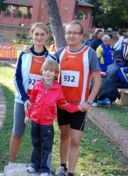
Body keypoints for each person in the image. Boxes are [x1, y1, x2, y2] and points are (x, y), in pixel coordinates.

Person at [54, 20, 101, 176]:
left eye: (75, 32)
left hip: (79, 106)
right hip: (62, 106)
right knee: (64, 135)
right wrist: (28, 50)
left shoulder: (90, 53)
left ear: (81, 35)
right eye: (68, 32)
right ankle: (62, 166)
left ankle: (71, 172)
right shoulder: (60, 53)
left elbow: (97, 80)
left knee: (75, 140)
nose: (71, 35)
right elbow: (45, 65)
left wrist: (89, 102)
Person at [8, 22, 56, 166]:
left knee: (43, 136)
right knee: (17, 133)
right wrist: (24, 98)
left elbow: (54, 82)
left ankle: (41, 166)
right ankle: (11, 164)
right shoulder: (24, 54)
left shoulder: (51, 59)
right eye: (36, 34)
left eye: (42, 34)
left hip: (42, 104)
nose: (39, 37)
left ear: (47, 36)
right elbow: (17, 77)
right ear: (32, 35)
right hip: (23, 100)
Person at [25, 60, 80, 176]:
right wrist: (27, 115)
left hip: (47, 124)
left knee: (46, 147)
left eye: (51, 71)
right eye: (45, 70)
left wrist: (77, 108)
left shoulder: (57, 88)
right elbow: (31, 102)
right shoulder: (37, 86)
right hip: (35, 121)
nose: (47, 73)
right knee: (36, 144)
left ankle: (45, 169)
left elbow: (63, 103)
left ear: (56, 73)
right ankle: (35, 164)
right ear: (42, 71)